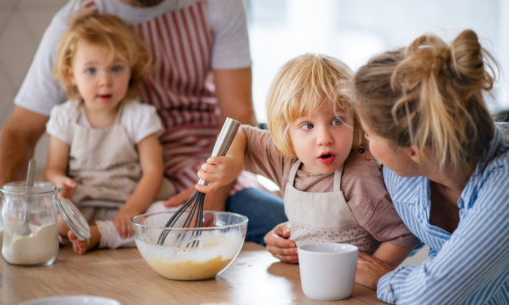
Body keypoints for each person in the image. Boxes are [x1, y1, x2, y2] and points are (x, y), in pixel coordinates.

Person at [0, 0, 287, 246]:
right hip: (128, 176)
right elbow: (20, 131)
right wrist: (6, 221)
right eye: (92, 70)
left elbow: (238, 116)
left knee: (285, 223)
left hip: (203, 161)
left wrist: (214, 193)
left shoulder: (217, 5)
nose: (104, 80)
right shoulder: (77, 20)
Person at [196, 54, 420, 267]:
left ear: (357, 120)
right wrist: (234, 162)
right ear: (286, 132)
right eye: (308, 126)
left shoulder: (357, 179)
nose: (324, 139)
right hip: (302, 282)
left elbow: (403, 235)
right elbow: (239, 132)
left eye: (337, 121)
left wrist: (371, 274)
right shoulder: (285, 159)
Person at [351, 29, 509, 304]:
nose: (364, 142)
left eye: (369, 134)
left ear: (414, 150)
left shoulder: (503, 183)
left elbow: (432, 296)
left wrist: (384, 277)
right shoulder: (403, 175)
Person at [45, 13, 176, 255]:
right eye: (91, 70)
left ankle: (100, 235)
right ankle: (87, 231)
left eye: (116, 68)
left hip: (131, 202)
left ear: (130, 72)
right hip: (83, 204)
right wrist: (61, 184)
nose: (105, 81)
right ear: (72, 74)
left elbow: (153, 171)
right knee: (53, 218)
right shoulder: (64, 116)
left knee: (178, 218)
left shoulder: (139, 115)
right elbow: (53, 168)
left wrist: (131, 210)